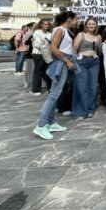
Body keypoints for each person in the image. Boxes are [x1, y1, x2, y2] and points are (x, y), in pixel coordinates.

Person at [33, 11, 77, 140]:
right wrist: (67, 60)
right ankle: (41, 125)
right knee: (54, 95)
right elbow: (53, 48)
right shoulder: (60, 30)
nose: (76, 21)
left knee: (55, 92)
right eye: (75, 19)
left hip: (63, 61)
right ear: (69, 19)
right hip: (60, 63)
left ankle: (51, 122)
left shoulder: (64, 30)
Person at [72, 17, 102, 120]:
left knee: (92, 87)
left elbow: (100, 50)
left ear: (96, 25)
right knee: (81, 86)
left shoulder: (98, 36)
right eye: (89, 24)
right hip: (81, 62)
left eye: (93, 24)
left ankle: (90, 109)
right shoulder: (81, 35)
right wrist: (74, 60)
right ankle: (80, 112)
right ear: (86, 25)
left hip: (94, 62)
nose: (91, 26)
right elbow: (74, 47)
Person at [31, 19, 52, 96]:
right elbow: (38, 44)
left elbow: (50, 43)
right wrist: (46, 43)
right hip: (38, 53)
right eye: (44, 24)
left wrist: (45, 42)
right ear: (41, 25)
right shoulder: (37, 32)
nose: (46, 26)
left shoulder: (50, 34)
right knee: (38, 71)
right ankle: (36, 89)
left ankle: (50, 88)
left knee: (47, 72)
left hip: (48, 55)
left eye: (47, 24)